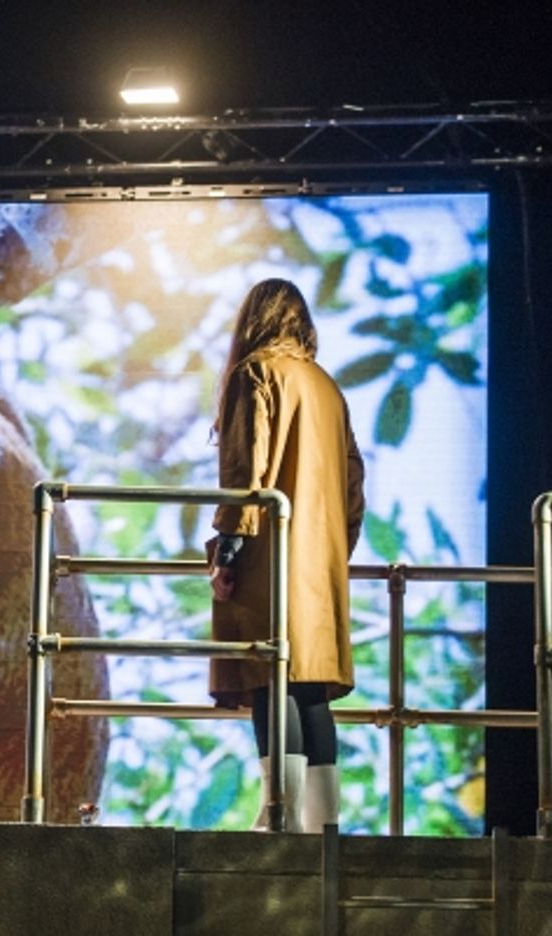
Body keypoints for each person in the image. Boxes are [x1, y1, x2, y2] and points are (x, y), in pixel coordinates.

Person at [207, 278, 364, 833]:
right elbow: (353, 487)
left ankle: (279, 816)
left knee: (269, 674)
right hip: (320, 562)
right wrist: (332, 550)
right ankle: (323, 825)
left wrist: (228, 551)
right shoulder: (326, 386)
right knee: (307, 684)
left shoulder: (256, 373)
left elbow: (245, 473)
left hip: (271, 554)